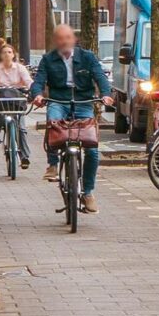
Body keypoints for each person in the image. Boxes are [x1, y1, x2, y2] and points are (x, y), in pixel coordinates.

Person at [32, 24, 110, 211]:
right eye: (60, 38)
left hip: (84, 102)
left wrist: (106, 94)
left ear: (73, 39)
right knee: (53, 123)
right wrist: (37, 95)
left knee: (92, 150)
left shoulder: (87, 57)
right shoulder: (47, 59)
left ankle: (88, 192)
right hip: (58, 100)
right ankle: (52, 164)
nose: (64, 41)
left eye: (67, 37)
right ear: (55, 41)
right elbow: (39, 81)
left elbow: (100, 77)